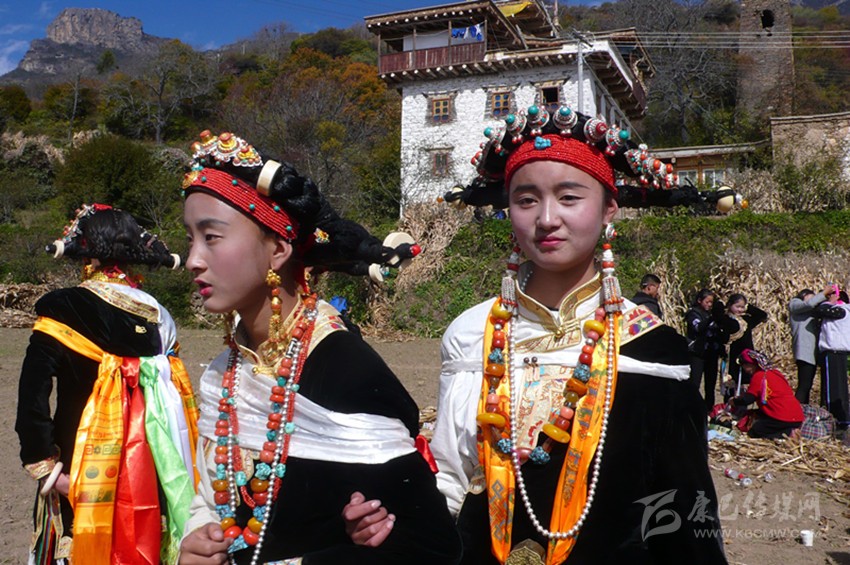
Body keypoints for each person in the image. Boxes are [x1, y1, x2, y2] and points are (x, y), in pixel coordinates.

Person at [353, 108, 727, 563]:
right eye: (526, 200)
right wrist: (389, 519)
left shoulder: (653, 347)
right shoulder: (473, 334)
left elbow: (685, 512)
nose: (547, 218)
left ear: (609, 207)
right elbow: (451, 479)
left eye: (569, 197)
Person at [177, 131, 461, 564]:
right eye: (190, 239)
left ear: (278, 248)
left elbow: (431, 546)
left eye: (211, 237)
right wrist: (199, 540)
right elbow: (214, 502)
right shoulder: (221, 373)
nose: (193, 259)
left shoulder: (344, 368)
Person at [15, 204, 198, 564]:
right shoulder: (160, 317)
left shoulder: (63, 307)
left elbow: (32, 395)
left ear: (87, 255)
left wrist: (48, 470)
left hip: (79, 467)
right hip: (151, 470)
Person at [729, 349, 804, 439]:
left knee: (755, 432)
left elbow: (748, 399)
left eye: (745, 365)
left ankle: (788, 433)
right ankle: (790, 430)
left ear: (753, 364)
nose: (745, 369)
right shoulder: (776, 373)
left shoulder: (759, 376)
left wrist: (734, 401)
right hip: (797, 416)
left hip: (782, 417)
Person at [685, 288, 726, 412]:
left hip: (711, 353)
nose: (709, 305)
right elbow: (698, 327)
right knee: (694, 383)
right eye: (707, 302)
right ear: (699, 300)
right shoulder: (693, 313)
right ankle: (691, 408)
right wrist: (711, 319)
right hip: (697, 353)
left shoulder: (712, 315)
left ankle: (709, 409)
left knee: (710, 384)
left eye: (711, 302)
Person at [815, 287, 850, 431]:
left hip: (833, 351)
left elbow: (820, 309)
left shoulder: (841, 311)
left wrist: (829, 301)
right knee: (840, 387)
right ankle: (843, 419)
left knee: (833, 388)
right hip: (839, 353)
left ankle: (834, 419)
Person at [789, 286, 831, 404]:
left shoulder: (812, 312)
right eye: (811, 297)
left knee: (808, 385)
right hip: (804, 351)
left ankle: (804, 409)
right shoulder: (795, 304)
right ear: (804, 296)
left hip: (812, 352)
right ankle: (797, 410)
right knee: (804, 385)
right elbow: (809, 304)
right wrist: (824, 293)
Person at [719, 293, 767, 392]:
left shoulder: (746, 320)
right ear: (730, 305)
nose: (740, 310)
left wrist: (748, 307)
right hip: (732, 356)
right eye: (737, 307)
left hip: (746, 358)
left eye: (742, 307)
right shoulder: (726, 320)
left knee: (746, 385)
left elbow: (762, 315)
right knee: (731, 384)